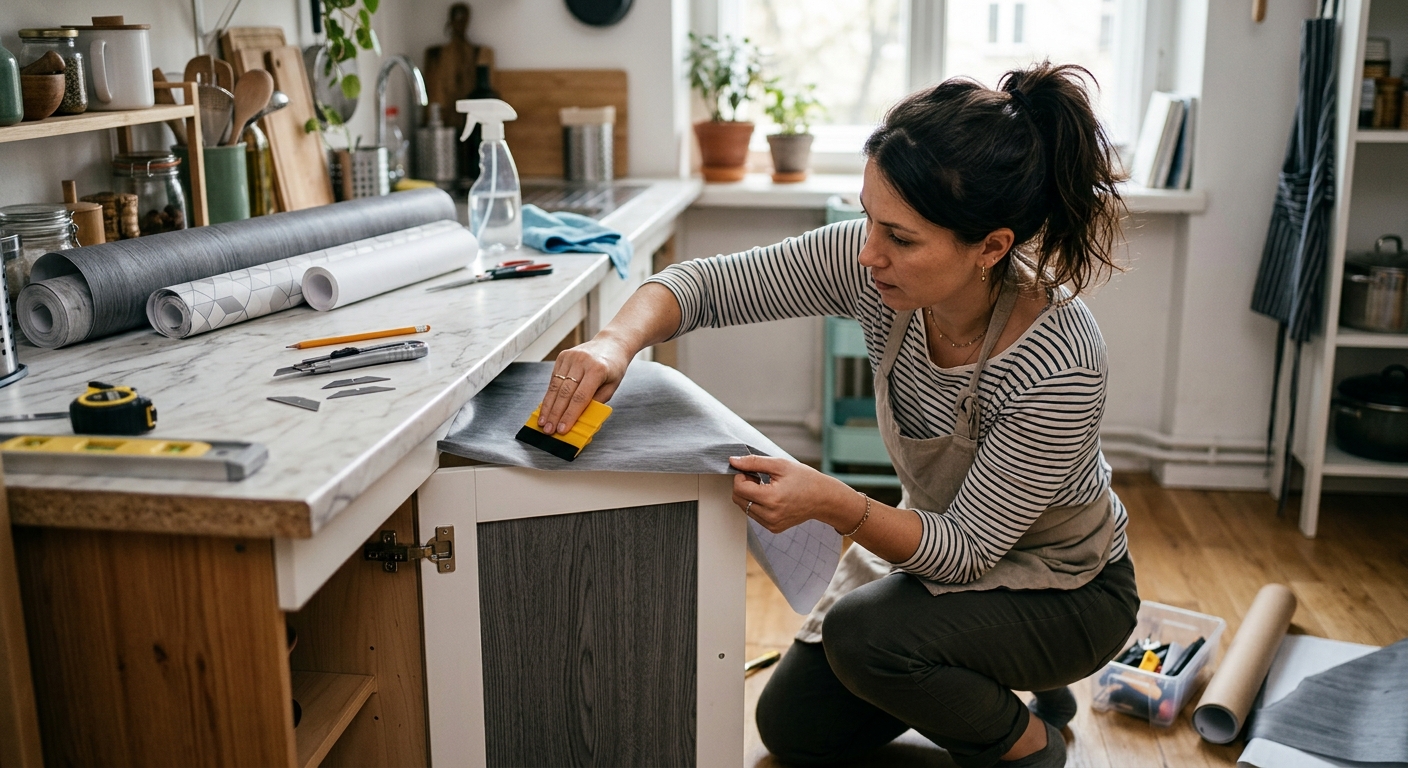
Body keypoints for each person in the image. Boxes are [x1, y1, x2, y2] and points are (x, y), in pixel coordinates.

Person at [536, 62, 1139, 768]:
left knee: (864, 636)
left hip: (1068, 588)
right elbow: (700, 285)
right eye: (867, 216)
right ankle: (991, 678)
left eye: (902, 238)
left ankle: (1030, 741)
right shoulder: (873, 271)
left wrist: (830, 502)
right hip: (944, 551)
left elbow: (966, 552)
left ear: (992, 247)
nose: (868, 253)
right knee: (794, 728)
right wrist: (614, 344)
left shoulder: (1061, 358)